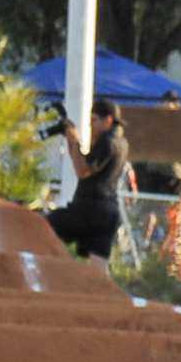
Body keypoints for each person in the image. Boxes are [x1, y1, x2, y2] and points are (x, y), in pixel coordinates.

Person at [46, 99, 130, 259]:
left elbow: (83, 170)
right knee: (99, 271)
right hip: (107, 213)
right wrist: (71, 141)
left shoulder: (107, 141)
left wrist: (75, 140)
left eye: (94, 120)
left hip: (90, 211)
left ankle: (53, 272)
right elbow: (82, 163)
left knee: (44, 227)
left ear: (108, 120)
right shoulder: (121, 143)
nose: (91, 125)